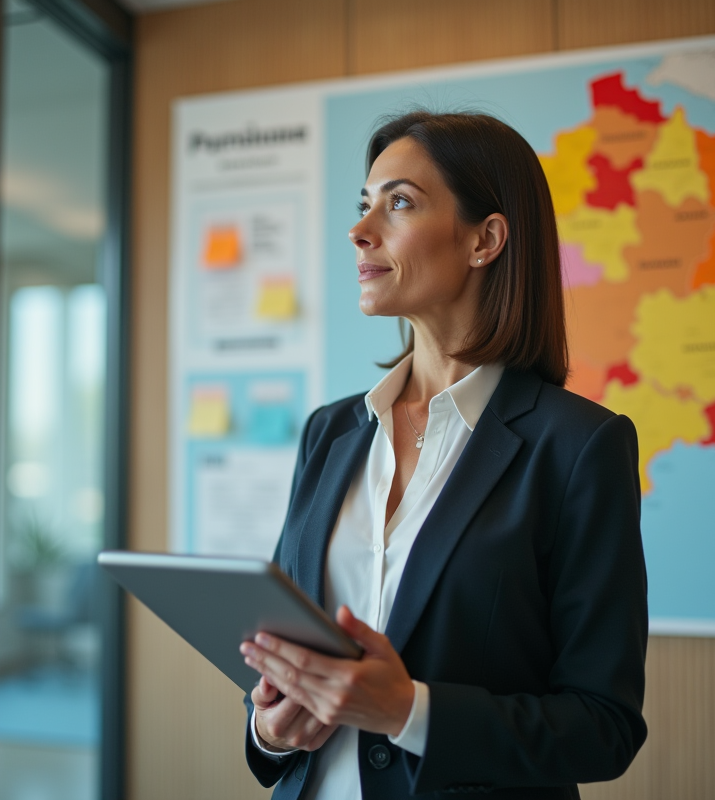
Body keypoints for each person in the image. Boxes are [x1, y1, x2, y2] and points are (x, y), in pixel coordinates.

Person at [238, 110, 649, 799]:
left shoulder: (580, 448)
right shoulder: (329, 432)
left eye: (398, 202)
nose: (360, 230)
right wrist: (268, 730)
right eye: (364, 204)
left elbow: (603, 726)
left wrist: (409, 711)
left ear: (485, 240)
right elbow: (285, 660)